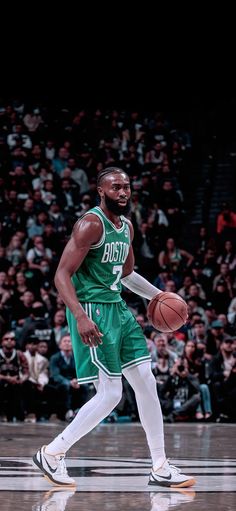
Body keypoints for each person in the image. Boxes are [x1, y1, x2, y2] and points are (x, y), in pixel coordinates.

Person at [33, 167, 195, 488]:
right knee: (110, 394)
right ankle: (52, 453)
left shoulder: (128, 228)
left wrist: (158, 295)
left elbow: (125, 274)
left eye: (126, 187)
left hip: (118, 308)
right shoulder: (90, 224)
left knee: (146, 383)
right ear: (101, 191)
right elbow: (61, 275)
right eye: (115, 187)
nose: (123, 192)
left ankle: (160, 465)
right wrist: (79, 316)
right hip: (93, 310)